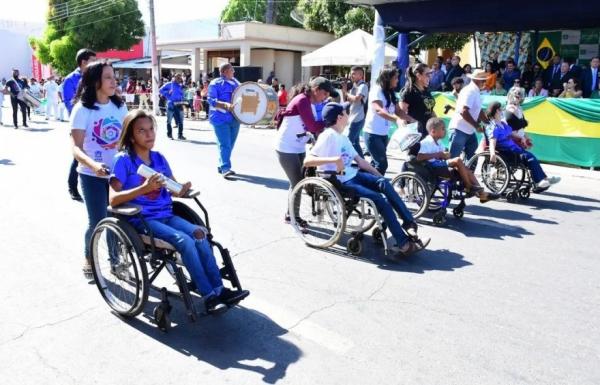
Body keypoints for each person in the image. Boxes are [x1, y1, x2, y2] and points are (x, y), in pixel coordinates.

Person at [109, 109, 249, 313]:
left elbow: (172, 188)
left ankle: (219, 289)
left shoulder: (159, 159)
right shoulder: (123, 160)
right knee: (186, 241)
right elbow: (112, 199)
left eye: (151, 129)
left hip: (166, 214)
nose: (149, 135)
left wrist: (181, 188)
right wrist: (143, 189)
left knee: (200, 233)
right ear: (131, 136)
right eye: (142, 131)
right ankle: (209, 296)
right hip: (142, 220)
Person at [304, 102, 428, 259]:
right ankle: (403, 244)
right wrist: (334, 159)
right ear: (339, 117)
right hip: (340, 180)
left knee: (384, 184)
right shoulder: (327, 135)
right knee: (379, 200)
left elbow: (361, 162)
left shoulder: (343, 138)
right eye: (346, 112)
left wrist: (379, 176)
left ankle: (410, 225)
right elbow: (307, 161)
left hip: (353, 175)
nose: (349, 115)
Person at [70, 60, 128, 279]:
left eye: (114, 77)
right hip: (91, 175)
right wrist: (94, 166)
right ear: (95, 82)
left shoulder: (119, 106)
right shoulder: (82, 109)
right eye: (108, 77)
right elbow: (76, 149)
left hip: (118, 175)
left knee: (116, 220)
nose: (114, 81)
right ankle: (89, 257)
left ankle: (116, 261)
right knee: (97, 221)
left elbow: (128, 138)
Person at [275, 78, 330, 225]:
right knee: (297, 182)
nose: (325, 97)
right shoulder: (302, 100)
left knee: (297, 182)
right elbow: (312, 126)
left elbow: (310, 129)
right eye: (324, 94)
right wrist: (329, 121)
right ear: (316, 89)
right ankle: (293, 217)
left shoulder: (310, 102)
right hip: (286, 148)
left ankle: (290, 214)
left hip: (298, 146)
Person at [418, 118, 498, 203]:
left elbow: (442, 156)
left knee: (466, 169)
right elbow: (419, 157)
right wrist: (439, 154)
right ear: (433, 131)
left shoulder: (439, 142)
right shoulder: (425, 142)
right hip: (432, 167)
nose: (445, 130)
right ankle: (469, 186)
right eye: (442, 128)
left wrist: (445, 155)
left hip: (439, 164)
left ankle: (483, 194)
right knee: (458, 160)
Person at [486, 102, 560, 190]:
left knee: (530, 157)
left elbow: (512, 134)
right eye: (499, 109)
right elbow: (492, 141)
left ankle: (543, 179)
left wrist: (522, 138)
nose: (501, 110)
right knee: (529, 157)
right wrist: (492, 154)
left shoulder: (503, 124)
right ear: (494, 112)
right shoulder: (493, 127)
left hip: (513, 149)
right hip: (506, 152)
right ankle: (539, 181)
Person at [363, 66, 415, 175]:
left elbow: (398, 111)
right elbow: (379, 110)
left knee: (375, 163)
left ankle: (365, 184)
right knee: (381, 164)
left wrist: (413, 120)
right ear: (387, 78)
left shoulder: (390, 92)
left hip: (383, 134)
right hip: (373, 133)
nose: (397, 80)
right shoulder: (377, 90)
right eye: (395, 77)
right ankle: (376, 188)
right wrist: (396, 120)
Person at [64, 48, 97, 201]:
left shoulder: (94, 77)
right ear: (84, 62)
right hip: (80, 125)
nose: (95, 63)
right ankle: (72, 186)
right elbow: (70, 104)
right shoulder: (71, 79)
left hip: (97, 124)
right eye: (92, 60)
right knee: (79, 156)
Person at [208, 63, 241, 177]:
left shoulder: (236, 82)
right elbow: (211, 100)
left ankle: (221, 163)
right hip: (219, 118)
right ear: (225, 71)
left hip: (235, 118)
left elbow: (244, 92)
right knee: (225, 144)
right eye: (232, 70)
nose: (234, 72)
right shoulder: (215, 83)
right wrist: (226, 105)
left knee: (230, 144)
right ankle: (226, 168)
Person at [448, 69, 489, 159]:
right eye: (483, 80)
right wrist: (477, 126)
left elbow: (478, 110)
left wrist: (487, 122)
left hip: (468, 130)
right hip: (459, 130)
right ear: (477, 80)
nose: (485, 82)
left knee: (472, 160)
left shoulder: (475, 91)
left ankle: (465, 172)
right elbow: (464, 111)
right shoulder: (470, 91)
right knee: (453, 160)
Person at [399, 63, 436, 156]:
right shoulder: (409, 91)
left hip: (428, 132)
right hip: (415, 133)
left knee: (427, 162)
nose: (430, 77)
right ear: (418, 75)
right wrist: (407, 133)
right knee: (414, 160)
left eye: (430, 74)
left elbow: (430, 110)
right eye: (427, 74)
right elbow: (401, 114)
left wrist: (438, 123)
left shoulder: (426, 91)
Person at [342, 66, 369, 157]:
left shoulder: (363, 86)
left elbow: (357, 99)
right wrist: (344, 91)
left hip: (358, 117)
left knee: (349, 141)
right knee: (355, 143)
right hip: (352, 117)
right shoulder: (354, 86)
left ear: (361, 75)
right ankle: (362, 163)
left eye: (354, 73)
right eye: (351, 73)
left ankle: (345, 161)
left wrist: (346, 93)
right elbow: (347, 101)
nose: (351, 76)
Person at [159, 73, 186, 140]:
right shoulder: (169, 84)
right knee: (169, 121)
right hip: (171, 104)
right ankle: (170, 135)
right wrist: (167, 94)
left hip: (179, 104)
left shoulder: (180, 86)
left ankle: (180, 135)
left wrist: (183, 99)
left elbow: (182, 95)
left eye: (180, 78)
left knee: (181, 121)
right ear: (174, 77)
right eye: (177, 77)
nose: (179, 79)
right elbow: (160, 90)